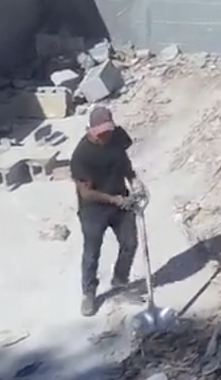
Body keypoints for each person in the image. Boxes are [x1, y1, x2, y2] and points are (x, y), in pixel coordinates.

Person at [70, 105, 146, 316]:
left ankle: (119, 283)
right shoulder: (81, 156)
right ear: (90, 130)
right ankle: (89, 293)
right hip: (94, 209)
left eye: (108, 131)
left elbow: (124, 161)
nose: (105, 136)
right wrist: (114, 200)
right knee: (92, 253)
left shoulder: (117, 136)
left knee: (130, 243)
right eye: (101, 133)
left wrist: (134, 180)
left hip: (121, 201)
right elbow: (86, 193)